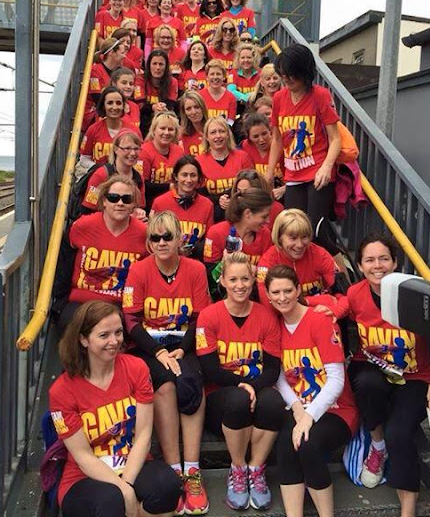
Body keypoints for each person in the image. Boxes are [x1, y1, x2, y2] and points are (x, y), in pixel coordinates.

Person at [326, 234, 430, 517]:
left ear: (395, 262)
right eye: (370, 260)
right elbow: (339, 310)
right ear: (360, 266)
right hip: (373, 369)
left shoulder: (419, 295)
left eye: (384, 259)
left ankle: (407, 511)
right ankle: (377, 445)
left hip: (414, 377)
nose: (378, 266)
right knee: (366, 381)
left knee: (399, 433)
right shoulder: (356, 293)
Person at [49, 300, 182, 517]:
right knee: (112, 501)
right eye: (104, 335)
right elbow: (82, 456)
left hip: (131, 462)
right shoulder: (61, 390)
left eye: (118, 332)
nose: (114, 341)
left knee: (168, 486)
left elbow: (143, 435)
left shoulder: (136, 368)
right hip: (84, 476)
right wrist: (123, 491)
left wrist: (126, 484)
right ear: (83, 339)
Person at [123, 212, 211, 516]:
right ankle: (174, 470)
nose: (161, 243)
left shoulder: (195, 269)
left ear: (179, 239)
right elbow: (130, 320)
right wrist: (158, 351)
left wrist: (182, 350)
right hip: (148, 345)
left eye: (167, 237)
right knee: (163, 384)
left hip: (183, 343)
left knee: (190, 381)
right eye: (155, 237)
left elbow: (200, 317)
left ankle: (192, 471)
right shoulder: (139, 270)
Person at [265, 266, 358, 517]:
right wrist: (297, 409)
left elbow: (336, 379)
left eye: (288, 290)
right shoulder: (274, 326)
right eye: (276, 292)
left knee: (308, 443)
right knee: (286, 443)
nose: (282, 297)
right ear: (268, 295)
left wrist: (309, 416)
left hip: (336, 409)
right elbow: (280, 377)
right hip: (300, 406)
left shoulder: (319, 321)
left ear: (298, 290)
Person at [196, 252, 285, 510]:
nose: (240, 285)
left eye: (245, 279)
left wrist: (252, 387)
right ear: (222, 280)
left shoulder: (266, 316)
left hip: (257, 389)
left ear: (253, 280)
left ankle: (256, 469)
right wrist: (243, 385)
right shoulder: (209, 316)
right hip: (221, 397)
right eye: (233, 279)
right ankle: (237, 469)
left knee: (273, 401)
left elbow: (272, 369)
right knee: (238, 399)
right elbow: (210, 369)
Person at [266, 44, 341, 255]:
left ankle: (340, 272)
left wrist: (326, 167)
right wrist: (269, 172)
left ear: (304, 72)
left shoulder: (320, 95)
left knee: (316, 232)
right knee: (294, 230)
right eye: (283, 74)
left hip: (318, 171)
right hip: (293, 174)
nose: (286, 79)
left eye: (291, 74)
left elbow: (335, 139)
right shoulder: (279, 98)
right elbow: (277, 139)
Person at [54, 175, 148, 333]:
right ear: (104, 201)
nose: (120, 203)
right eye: (113, 198)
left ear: (133, 204)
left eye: (126, 199)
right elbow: (63, 262)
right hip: (82, 301)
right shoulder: (82, 226)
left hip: (120, 304)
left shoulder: (143, 233)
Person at [257, 209, 338, 309]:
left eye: (304, 237)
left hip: (320, 313)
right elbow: (267, 303)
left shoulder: (320, 254)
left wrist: (332, 310)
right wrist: (308, 301)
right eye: (293, 238)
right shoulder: (268, 261)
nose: (300, 245)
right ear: (279, 238)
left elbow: (343, 296)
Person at [150, 155, 214, 252]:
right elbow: (152, 238)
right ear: (176, 176)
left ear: (198, 178)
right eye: (184, 175)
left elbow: (209, 241)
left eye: (193, 175)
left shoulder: (207, 205)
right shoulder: (159, 203)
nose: (189, 180)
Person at [196, 116, 253, 222]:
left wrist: (233, 200)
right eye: (213, 132)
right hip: (213, 214)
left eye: (221, 131)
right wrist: (219, 200)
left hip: (241, 212)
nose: (218, 136)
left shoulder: (243, 157)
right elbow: (199, 196)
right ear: (207, 137)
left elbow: (251, 188)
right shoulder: (199, 162)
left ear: (228, 134)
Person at [203, 187, 273, 269]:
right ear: (247, 213)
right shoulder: (217, 232)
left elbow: (268, 271)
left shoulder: (265, 234)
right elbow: (209, 273)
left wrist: (252, 270)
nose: (268, 221)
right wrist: (223, 264)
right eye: (264, 216)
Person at [81, 129, 145, 215]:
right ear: (115, 149)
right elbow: (88, 209)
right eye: (127, 148)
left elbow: (140, 206)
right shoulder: (101, 174)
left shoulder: (139, 178)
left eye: (136, 149)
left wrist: (139, 213)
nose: (133, 153)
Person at [79, 87, 141, 167]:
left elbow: (139, 159)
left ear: (123, 106)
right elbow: (84, 158)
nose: (114, 107)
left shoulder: (133, 131)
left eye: (118, 103)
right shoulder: (93, 129)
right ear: (103, 105)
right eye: (110, 103)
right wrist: (100, 169)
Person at [139, 111, 184, 211]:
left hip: (175, 202)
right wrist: (169, 187)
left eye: (170, 129)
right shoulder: (144, 151)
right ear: (154, 130)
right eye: (162, 128)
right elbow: (142, 185)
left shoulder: (179, 151)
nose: (166, 133)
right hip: (150, 203)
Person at [240, 112, 284, 199]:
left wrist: (283, 189)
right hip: (258, 195)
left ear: (270, 131)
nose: (261, 139)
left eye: (264, 134)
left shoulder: (281, 146)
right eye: (255, 136)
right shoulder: (246, 146)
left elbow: (296, 178)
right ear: (249, 138)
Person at [86, 38, 127, 131]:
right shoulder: (95, 70)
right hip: (92, 116)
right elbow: (97, 97)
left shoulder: (116, 73)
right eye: (122, 53)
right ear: (112, 53)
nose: (124, 57)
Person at [139, 50, 178, 134]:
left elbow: (171, 105)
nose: (157, 68)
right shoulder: (140, 79)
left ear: (166, 66)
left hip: (165, 117)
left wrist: (162, 107)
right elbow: (140, 105)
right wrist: (153, 107)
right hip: (144, 118)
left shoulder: (173, 81)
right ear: (149, 65)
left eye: (161, 64)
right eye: (154, 63)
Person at [199, 59, 236, 124]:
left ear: (224, 77)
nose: (215, 77)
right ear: (207, 77)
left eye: (218, 74)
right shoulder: (200, 95)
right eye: (212, 74)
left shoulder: (231, 97)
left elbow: (231, 121)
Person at [179, 90, 208, 157]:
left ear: (203, 108)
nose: (193, 112)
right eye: (188, 109)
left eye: (196, 107)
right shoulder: (181, 136)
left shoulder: (214, 131)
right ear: (184, 112)